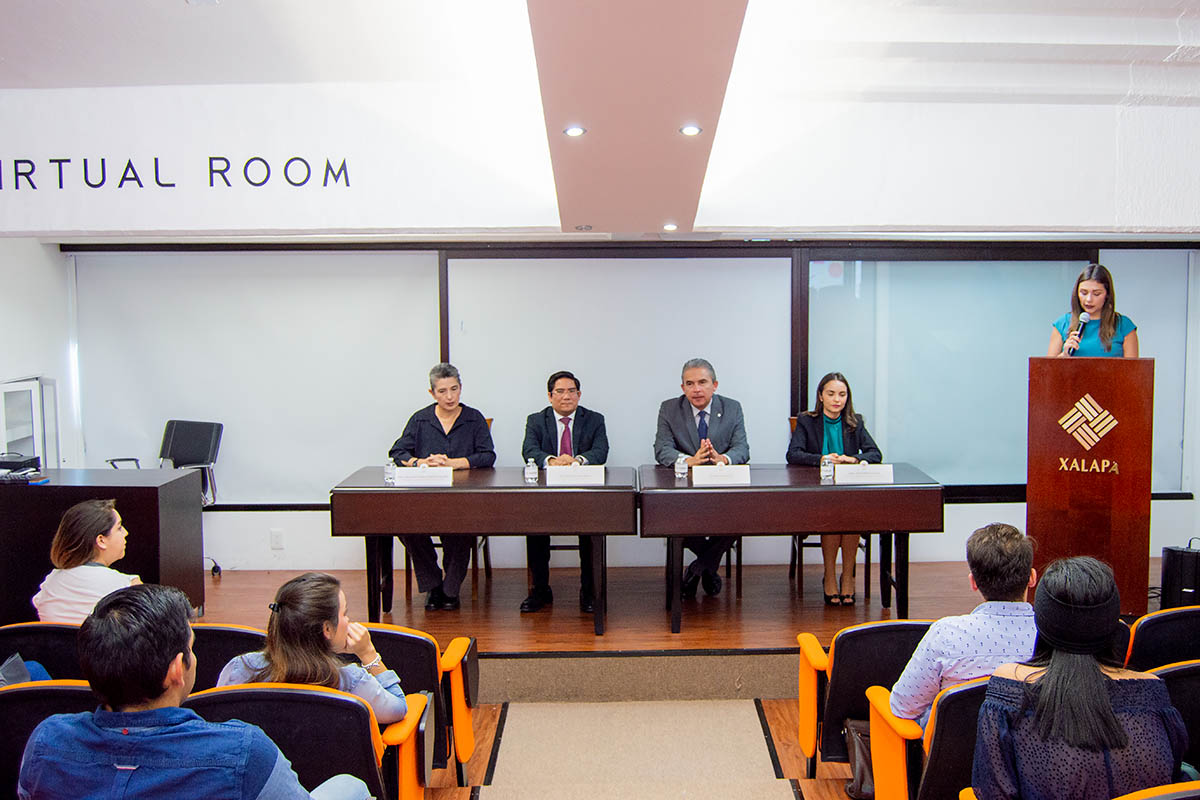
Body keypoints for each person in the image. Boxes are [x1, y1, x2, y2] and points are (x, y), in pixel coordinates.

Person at [18, 583, 369, 800]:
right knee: (349, 787)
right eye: (192, 646)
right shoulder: (243, 751)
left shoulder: (46, 741)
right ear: (176, 669)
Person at [972, 557, 1188, 800]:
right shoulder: (1152, 690)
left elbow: (994, 791)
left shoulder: (1008, 688)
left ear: (1040, 621)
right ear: (1115, 623)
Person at [890, 523, 1038, 727]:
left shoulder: (946, 635)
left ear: (973, 582)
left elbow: (902, 707)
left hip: (951, 757)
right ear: (1032, 578)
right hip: (1031, 757)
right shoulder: (1054, 636)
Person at [218, 572, 408, 724]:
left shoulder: (240, 668)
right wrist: (368, 654)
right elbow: (399, 708)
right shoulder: (351, 681)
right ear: (326, 629)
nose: (348, 620)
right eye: (345, 614)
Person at [387, 362, 496, 611]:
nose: (449, 396)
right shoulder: (421, 419)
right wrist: (419, 462)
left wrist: (455, 463)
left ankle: (450, 590)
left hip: (463, 497)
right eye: (442, 391)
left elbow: (488, 455)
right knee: (406, 527)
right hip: (426, 497)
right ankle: (434, 583)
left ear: (461, 389)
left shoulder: (474, 418)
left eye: (454, 389)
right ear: (432, 393)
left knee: (460, 528)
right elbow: (398, 451)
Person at [653, 357, 750, 598]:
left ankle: (698, 568)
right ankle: (709, 567)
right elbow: (661, 449)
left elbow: (742, 448)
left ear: (715, 385)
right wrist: (689, 460)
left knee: (738, 520)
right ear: (683, 387)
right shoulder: (669, 408)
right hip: (684, 491)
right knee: (677, 523)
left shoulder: (732, 407)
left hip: (722, 490)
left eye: (702, 382)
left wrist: (723, 459)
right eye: (690, 383)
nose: (696, 389)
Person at [786, 372, 881, 605]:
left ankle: (847, 576)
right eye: (831, 394)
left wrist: (853, 459)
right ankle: (829, 575)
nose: (837, 399)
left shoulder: (855, 422)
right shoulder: (807, 420)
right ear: (821, 396)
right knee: (833, 514)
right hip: (818, 492)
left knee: (850, 515)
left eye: (842, 394)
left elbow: (875, 454)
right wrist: (823, 459)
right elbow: (793, 454)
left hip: (849, 490)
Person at [520, 370, 610, 614]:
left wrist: (578, 460)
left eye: (572, 391)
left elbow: (601, 451)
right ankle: (540, 590)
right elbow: (529, 450)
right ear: (550, 396)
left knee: (591, 528)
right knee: (535, 528)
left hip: (583, 491)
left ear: (579, 395)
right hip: (546, 493)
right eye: (560, 391)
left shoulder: (594, 419)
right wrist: (550, 460)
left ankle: (589, 591)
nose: (566, 396)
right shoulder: (536, 420)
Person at [32, 499, 142, 624]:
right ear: (101, 540)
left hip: (52, 644)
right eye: (119, 528)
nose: (126, 533)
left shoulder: (49, 585)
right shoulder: (128, 587)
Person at [1047, 263, 1139, 358]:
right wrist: (1064, 355)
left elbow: (1133, 370)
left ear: (1107, 295)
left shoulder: (1124, 326)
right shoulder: (1063, 323)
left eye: (1096, 294)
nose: (1089, 299)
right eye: (1084, 293)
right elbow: (1047, 370)